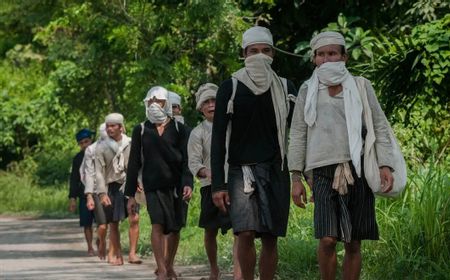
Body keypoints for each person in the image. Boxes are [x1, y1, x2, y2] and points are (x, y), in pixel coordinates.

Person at [288, 31, 394, 280]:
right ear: (314, 59)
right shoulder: (307, 90)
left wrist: (385, 164)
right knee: (327, 239)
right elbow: (298, 133)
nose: (327, 59)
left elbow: (379, 125)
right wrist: (295, 177)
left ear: (344, 57)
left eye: (333, 53)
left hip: (358, 168)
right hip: (322, 172)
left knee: (353, 242)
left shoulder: (360, 85)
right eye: (321, 54)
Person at [210, 26, 297, 280]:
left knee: (270, 238)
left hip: (275, 170)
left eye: (265, 50)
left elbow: (300, 132)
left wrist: (301, 175)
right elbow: (217, 139)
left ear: (273, 54)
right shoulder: (231, 87)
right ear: (244, 54)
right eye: (253, 51)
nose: (260, 55)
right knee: (245, 233)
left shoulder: (284, 87)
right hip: (241, 173)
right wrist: (218, 184)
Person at [125, 86, 193, 280]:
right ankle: (161, 268)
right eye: (151, 101)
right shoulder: (141, 129)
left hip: (177, 186)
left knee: (175, 227)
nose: (155, 105)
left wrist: (188, 183)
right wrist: (131, 195)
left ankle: (170, 264)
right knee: (157, 224)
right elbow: (134, 162)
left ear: (167, 104)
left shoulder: (181, 129)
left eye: (159, 101)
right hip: (152, 186)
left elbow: (187, 160)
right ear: (146, 104)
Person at [187, 83, 242, 280]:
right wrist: (207, 172)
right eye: (207, 102)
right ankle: (213, 269)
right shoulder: (197, 132)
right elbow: (194, 162)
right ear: (201, 108)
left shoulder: (233, 126)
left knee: (239, 230)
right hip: (210, 187)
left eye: (215, 101)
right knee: (210, 231)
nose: (211, 105)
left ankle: (238, 273)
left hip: (235, 184)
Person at [95, 113, 131, 266]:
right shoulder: (101, 147)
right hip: (112, 187)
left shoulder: (130, 143)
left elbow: (137, 166)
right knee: (114, 223)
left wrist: (139, 183)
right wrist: (102, 193)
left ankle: (132, 253)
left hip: (129, 186)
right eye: (108, 126)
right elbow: (99, 172)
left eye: (113, 125)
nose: (110, 129)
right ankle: (118, 255)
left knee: (134, 218)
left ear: (121, 127)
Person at [82, 123, 109, 260]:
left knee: (114, 222)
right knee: (103, 224)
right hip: (97, 190)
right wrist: (89, 195)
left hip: (116, 188)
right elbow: (86, 173)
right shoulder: (91, 150)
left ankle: (114, 253)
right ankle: (102, 241)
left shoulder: (123, 144)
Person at [68, 128, 95, 256]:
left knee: (103, 222)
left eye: (86, 141)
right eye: (81, 143)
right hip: (84, 194)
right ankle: (90, 247)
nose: (84, 145)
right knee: (86, 223)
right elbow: (74, 179)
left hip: (99, 193)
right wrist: (72, 198)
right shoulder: (77, 159)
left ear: (91, 140)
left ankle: (100, 241)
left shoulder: (99, 153)